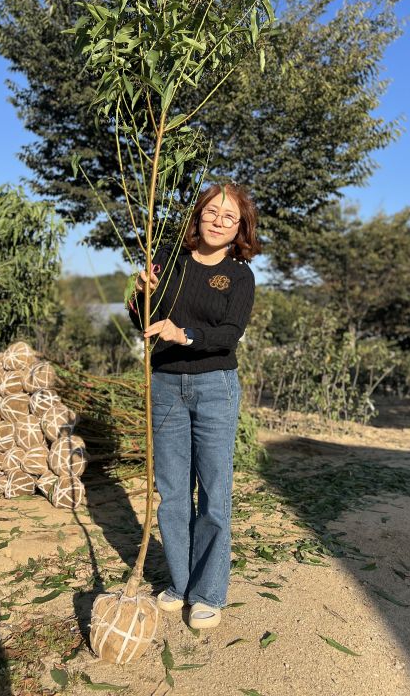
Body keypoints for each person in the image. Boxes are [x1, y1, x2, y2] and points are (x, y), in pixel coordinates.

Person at [127, 182, 259, 629]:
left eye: (229, 217)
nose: (218, 222)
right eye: (211, 212)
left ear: (240, 228)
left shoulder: (239, 276)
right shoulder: (169, 259)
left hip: (214, 387)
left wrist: (185, 334)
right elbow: (144, 321)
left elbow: (230, 333)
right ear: (198, 215)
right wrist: (140, 294)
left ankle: (208, 593)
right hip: (165, 384)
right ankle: (180, 583)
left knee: (214, 492)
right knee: (172, 492)